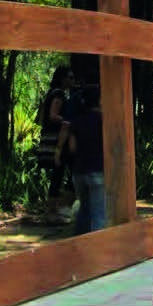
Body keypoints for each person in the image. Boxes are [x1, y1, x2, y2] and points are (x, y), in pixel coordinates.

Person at [34, 65, 76, 224]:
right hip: (56, 140)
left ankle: (54, 209)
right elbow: (52, 115)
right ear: (63, 78)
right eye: (70, 77)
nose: (73, 81)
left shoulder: (53, 93)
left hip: (52, 138)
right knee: (59, 174)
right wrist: (68, 120)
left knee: (59, 174)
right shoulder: (58, 94)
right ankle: (53, 210)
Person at [65, 83, 106, 234]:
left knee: (84, 210)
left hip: (79, 171)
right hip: (98, 170)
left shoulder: (77, 121)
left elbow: (72, 148)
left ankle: (80, 244)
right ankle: (98, 249)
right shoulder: (104, 121)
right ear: (100, 100)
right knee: (99, 215)